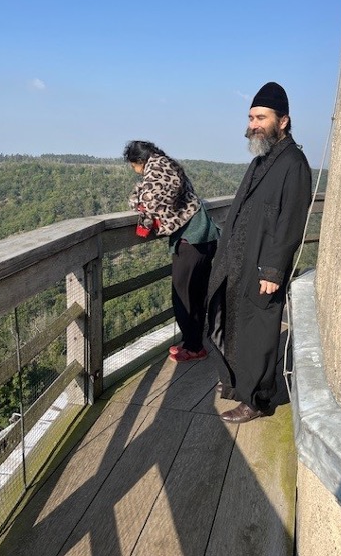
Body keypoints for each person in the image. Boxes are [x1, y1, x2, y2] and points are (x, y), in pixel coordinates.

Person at [207, 82, 312, 423]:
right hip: (238, 263)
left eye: (261, 117)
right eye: (251, 117)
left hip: (263, 267)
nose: (253, 124)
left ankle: (258, 399)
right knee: (235, 324)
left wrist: (273, 270)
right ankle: (238, 384)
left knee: (260, 333)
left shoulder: (294, 163)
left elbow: (291, 221)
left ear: (283, 121)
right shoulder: (261, 160)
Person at [124, 140, 219, 362]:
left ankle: (195, 348)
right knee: (196, 293)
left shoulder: (158, 169)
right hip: (203, 236)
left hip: (191, 240)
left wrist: (139, 202)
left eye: (134, 167)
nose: (137, 173)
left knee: (183, 295)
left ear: (139, 161)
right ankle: (194, 343)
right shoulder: (168, 165)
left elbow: (150, 201)